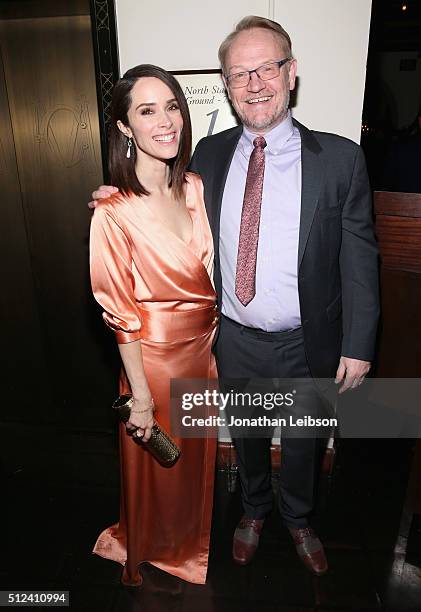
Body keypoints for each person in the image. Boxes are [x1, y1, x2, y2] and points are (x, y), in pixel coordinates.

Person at [91, 16, 379, 577]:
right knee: (247, 436)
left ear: (290, 73)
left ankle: (299, 518)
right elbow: (161, 201)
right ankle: (252, 510)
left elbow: (360, 256)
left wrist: (360, 342)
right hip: (234, 338)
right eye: (238, 73)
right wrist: (116, 196)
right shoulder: (209, 159)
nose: (254, 83)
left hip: (308, 339)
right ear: (226, 84)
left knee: (303, 440)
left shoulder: (341, 160)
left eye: (265, 67)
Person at [89, 64, 217, 587]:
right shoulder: (113, 212)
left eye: (171, 106)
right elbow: (119, 311)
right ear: (125, 127)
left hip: (201, 355)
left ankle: (186, 545)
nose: (165, 120)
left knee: (191, 468)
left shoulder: (194, 187)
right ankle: (150, 544)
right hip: (152, 364)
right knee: (156, 471)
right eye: (146, 110)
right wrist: (139, 395)